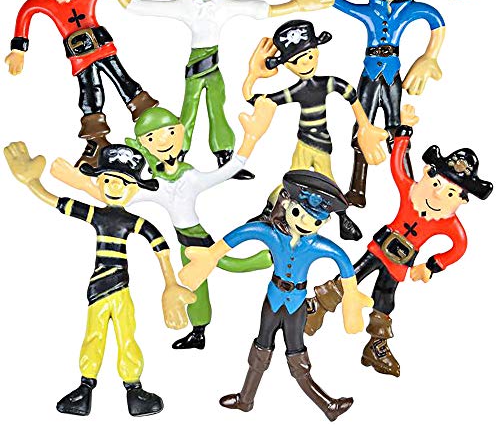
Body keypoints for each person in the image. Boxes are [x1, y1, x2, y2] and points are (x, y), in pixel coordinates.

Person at [98, 0, 335, 179]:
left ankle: (225, 159)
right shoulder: (185, 2)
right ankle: (176, 158)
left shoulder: (221, 3)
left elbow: (258, 9)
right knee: (189, 111)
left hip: (212, 66)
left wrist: (297, 5)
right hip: (197, 66)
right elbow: (135, 5)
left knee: (217, 108)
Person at [51, 97, 276, 350]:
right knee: (196, 282)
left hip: (197, 237)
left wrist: (251, 139)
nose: (162, 141)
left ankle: (266, 258)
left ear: (180, 131)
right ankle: (199, 331)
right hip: (183, 241)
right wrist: (81, 183)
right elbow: (118, 196)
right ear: (142, 145)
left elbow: (226, 171)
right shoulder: (156, 184)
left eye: (169, 132)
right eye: (151, 138)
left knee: (223, 264)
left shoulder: (191, 177)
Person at [4, 142, 196, 416]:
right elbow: (58, 203)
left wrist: (170, 283)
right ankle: (86, 389)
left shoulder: (133, 222)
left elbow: (160, 245)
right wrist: (31, 182)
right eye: (108, 179)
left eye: (124, 182)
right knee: (95, 336)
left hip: (119, 289)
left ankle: (133, 388)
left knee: (125, 336)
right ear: (99, 181)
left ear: (135, 188)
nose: (115, 186)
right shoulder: (98, 215)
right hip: (99, 289)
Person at [304, 108, 493, 377]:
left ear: (461, 201)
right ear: (427, 174)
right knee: (352, 275)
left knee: (385, 297)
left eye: (450, 193)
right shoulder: (410, 191)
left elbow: (459, 246)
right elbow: (397, 166)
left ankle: (376, 345)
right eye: (436, 184)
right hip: (380, 247)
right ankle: (317, 307)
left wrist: (431, 266)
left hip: (401, 263)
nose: (438, 195)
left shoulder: (448, 223)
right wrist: (403, 134)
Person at [179, 170, 373, 421]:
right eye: (299, 213)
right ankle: (245, 399)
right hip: (272, 301)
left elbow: (343, 262)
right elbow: (244, 232)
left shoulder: (317, 246)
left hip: (296, 306)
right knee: (261, 347)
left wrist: (351, 296)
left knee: (297, 356)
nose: (305, 223)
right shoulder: (272, 234)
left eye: (315, 221)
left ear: (323, 222)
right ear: (288, 205)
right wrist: (211, 255)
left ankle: (328, 406)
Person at [269, 0, 446, 207]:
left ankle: (409, 187)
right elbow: (334, 0)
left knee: (397, 128)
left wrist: (429, 57)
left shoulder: (407, 11)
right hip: (369, 76)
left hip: (392, 75)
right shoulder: (368, 13)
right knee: (362, 127)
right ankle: (357, 187)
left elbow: (435, 19)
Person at [6, 0, 172, 166]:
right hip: (80, 57)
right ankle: (96, 142)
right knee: (90, 93)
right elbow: (25, 13)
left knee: (123, 80)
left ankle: (149, 117)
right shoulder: (43, 1)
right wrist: (18, 50)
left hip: (102, 47)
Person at [243, 19, 388, 240]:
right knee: (293, 181)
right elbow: (257, 100)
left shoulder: (326, 83)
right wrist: (252, 75)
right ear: (288, 66)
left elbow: (351, 94)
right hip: (305, 142)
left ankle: (342, 219)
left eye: (310, 56)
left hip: (322, 144)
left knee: (326, 182)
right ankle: (270, 213)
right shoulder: (296, 90)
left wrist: (365, 126)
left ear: (317, 53)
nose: (305, 63)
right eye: (296, 61)